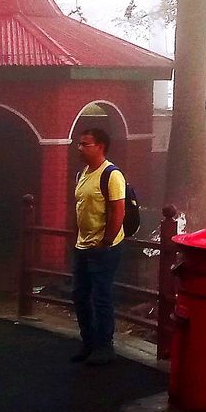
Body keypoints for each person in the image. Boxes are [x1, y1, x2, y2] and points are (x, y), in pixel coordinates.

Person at [70, 127, 125, 366]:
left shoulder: (112, 175)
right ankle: (88, 341)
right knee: (80, 295)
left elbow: (118, 211)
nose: (80, 149)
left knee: (101, 297)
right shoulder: (82, 174)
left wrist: (106, 242)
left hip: (104, 247)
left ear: (100, 146)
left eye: (85, 144)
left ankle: (105, 345)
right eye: (79, 144)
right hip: (83, 245)